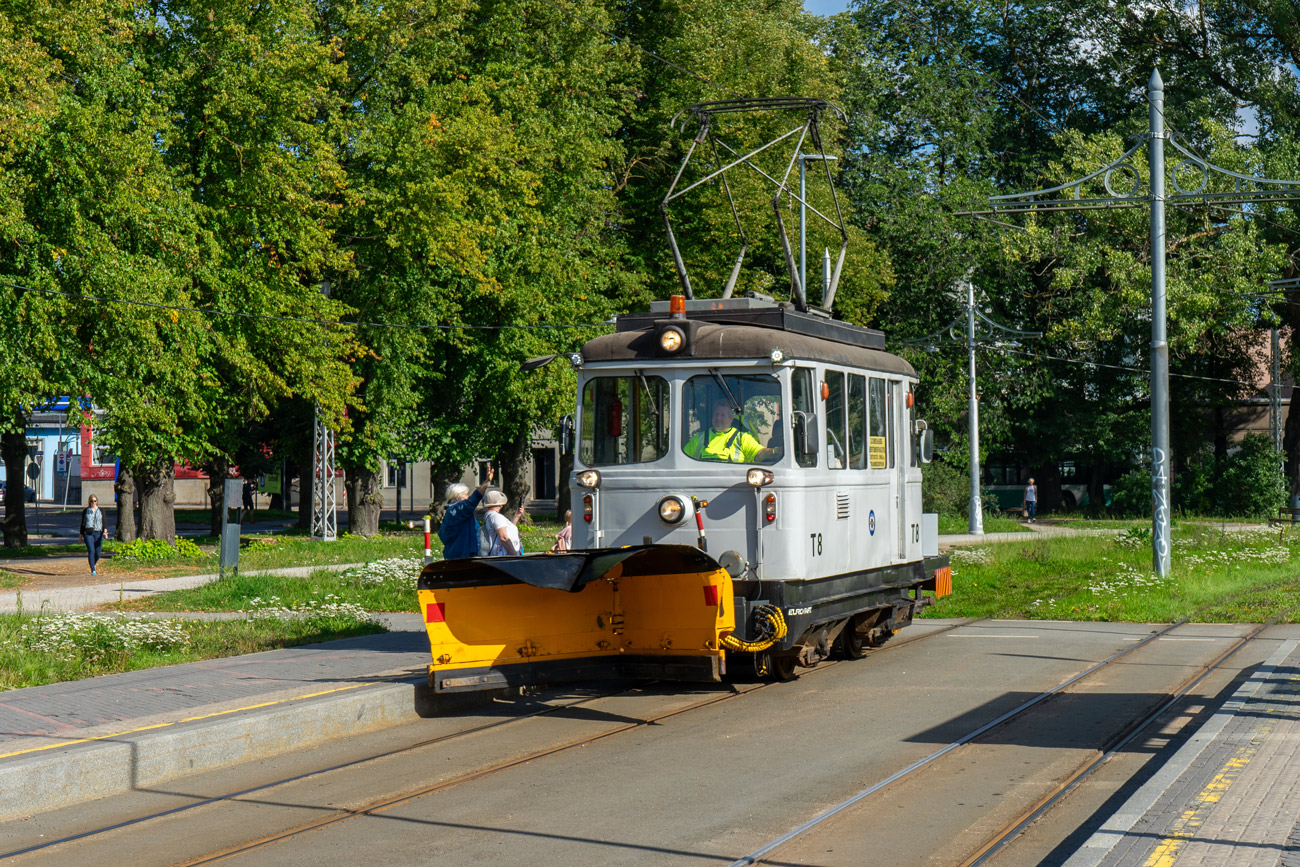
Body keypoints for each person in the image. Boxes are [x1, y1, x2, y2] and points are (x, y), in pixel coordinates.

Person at [684, 401, 778, 463]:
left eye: (722, 415)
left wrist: (776, 451)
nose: (718, 418)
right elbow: (683, 460)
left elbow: (759, 453)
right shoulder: (699, 438)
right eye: (716, 414)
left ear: (731, 418)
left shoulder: (742, 438)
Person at [438, 466, 494, 559]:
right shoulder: (456, 510)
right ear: (457, 497)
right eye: (465, 495)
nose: (468, 497)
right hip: (462, 554)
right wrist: (487, 482)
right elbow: (473, 500)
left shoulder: (452, 510)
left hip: (457, 553)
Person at [482, 489, 525, 556]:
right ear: (500, 504)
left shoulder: (489, 516)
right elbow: (504, 537)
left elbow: (508, 530)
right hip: (504, 556)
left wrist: (517, 516)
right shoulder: (496, 517)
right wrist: (514, 555)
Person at [79, 495, 105, 576]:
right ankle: (92, 568)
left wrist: (105, 531)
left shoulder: (101, 510)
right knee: (91, 551)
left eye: (94, 501)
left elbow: (104, 522)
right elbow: (82, 524)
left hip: (98, 532)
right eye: (91, 501)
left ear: (97, 501)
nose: (93, 503)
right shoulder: (86, 511)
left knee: (98, 553)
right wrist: (80, 536)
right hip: (88, 533)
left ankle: (93, 563)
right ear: (89, 502)